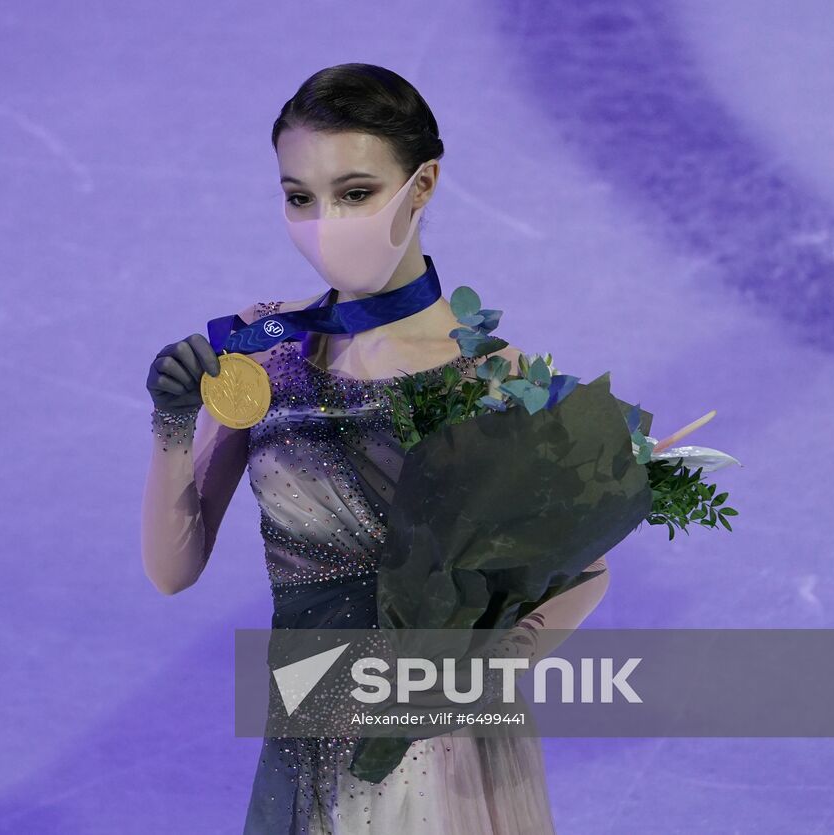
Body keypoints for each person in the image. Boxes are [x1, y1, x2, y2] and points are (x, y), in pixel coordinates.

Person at [141, 63, 610, 834]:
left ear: (422, 185)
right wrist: (171, 424)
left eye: (354, 193)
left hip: (445, 754)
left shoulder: (498, 378)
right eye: (300, 197)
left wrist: (496, 662)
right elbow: (172, 569)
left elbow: (584, 563)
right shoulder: (261, 346)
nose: (324, 221)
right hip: (310, 732)